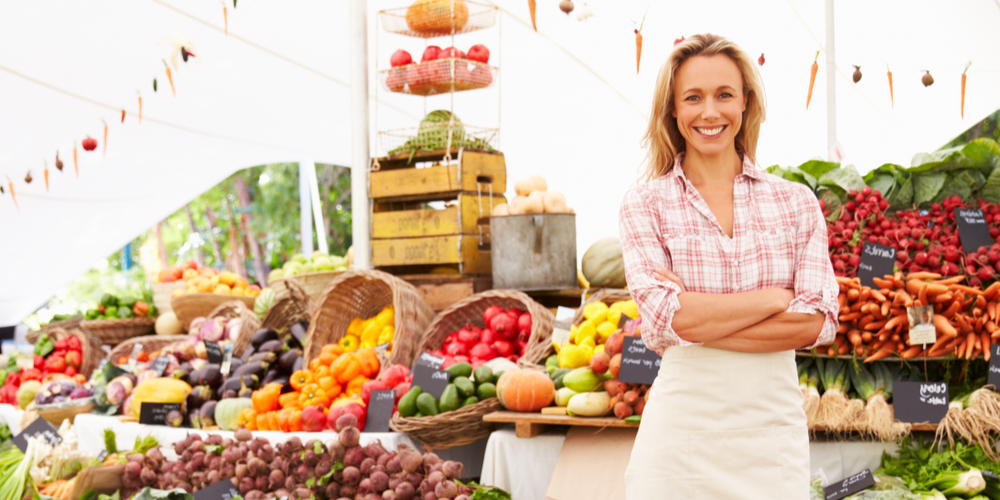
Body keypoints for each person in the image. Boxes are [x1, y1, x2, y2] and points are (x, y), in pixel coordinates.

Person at [619, 33, 839, 499]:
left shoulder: (796, 203)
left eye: (724, 95)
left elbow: (816, 321)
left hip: (770, 438)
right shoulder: (646, 204)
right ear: (673, 111)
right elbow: (665, 317)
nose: (710, 112)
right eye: (693, 98)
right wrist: (773, 300)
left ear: (746, 103)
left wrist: (697, 318)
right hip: (679, 438)